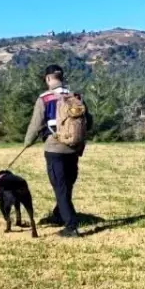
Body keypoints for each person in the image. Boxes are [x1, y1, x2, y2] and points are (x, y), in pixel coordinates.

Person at [23, 64, 91, 237]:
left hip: (54, 148)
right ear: (62, 77)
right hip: (74, 148)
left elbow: (35, 124)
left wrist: (27, 142)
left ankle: (71, 226)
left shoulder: (44, 98)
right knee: (67, 184)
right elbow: (88, 120)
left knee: (60, 187)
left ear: (48, 79)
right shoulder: (76, 96)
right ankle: (59, 213)